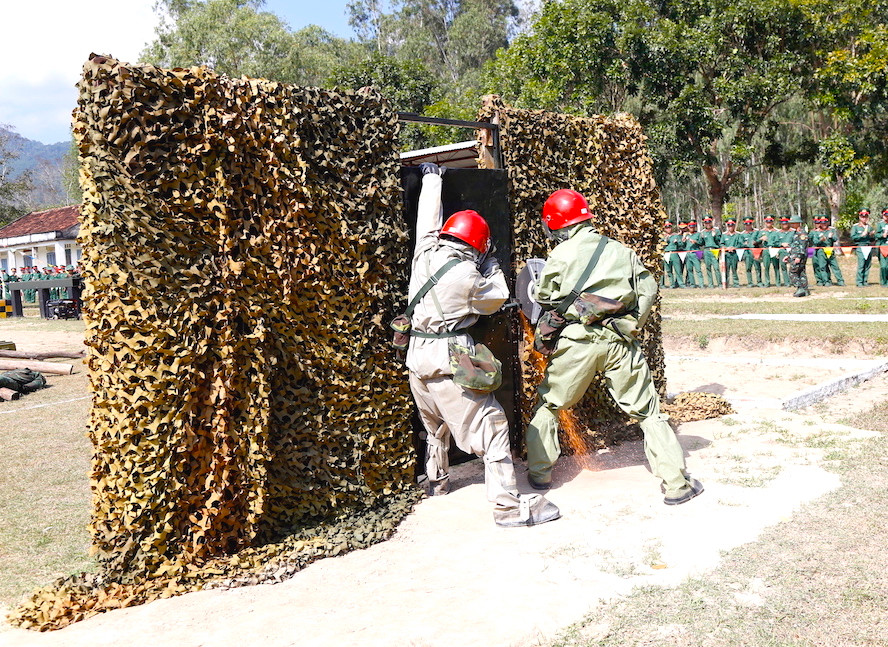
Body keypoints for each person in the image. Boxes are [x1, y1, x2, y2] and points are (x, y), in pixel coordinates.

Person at [405, 162, 559, 528]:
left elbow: (426, 222)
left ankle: (438, 480)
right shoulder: (469, 276)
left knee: (435, 426)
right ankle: (508, 507)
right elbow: (499, 295)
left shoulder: (424, 253)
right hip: (447, 360)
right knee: (492, 426)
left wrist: (431, 178)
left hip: (417, 360)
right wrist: (490, 264)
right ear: (478, 246)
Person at [525, 189, 703, 505]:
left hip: (577, 341)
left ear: (557, 223)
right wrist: (631, 323)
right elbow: (647, 290)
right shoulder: (623, 252)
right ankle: (676, 484)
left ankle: (540, 475)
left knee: (550, 403)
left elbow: (544, 297)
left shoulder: (560, 255)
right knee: (649, 411)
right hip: (620, 341)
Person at [809, 216, 844, 286]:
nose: (823, 224)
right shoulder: (815, 231)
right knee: (821, 266)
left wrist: (831, 237)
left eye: (825, 223)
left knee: (835, 266)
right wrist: (820, 240)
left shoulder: (831, 230)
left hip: (830, 250)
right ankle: (825, 281)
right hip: (819, 251)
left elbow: (835, 239)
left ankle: (840, 281)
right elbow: (814, 241)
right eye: (822, 223)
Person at [783, 215, 810, 297]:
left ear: (798, 223)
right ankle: (805, 290)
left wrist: (798, 256)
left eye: (793, 223)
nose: (791, 225)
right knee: (801, 273)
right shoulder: (795, 233)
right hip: (794, 255)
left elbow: (803, 246)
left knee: (792, 272)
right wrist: (789, 256)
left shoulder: (802, 233)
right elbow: (794, 246)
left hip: (798, 256)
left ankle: (799, 287)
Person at [850, 209, 876, 286]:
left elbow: (872, 239)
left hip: (868, 246)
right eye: (862, 216)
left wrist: (872, 235)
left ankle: (865, 281)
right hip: (860, 246)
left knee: (867, 264)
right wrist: (861, 235)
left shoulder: (869, 227)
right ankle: (859, 281)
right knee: (861, 264)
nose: (864, 218)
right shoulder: (856, 227)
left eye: (866, 216)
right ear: (859, 217)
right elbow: (853, 237)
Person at [737, 217, 763, 287]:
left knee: (757, 268)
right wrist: (744, 244)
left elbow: (760, 239)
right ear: (744, 224)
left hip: (756, 251)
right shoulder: (742, 234)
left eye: (749, 224)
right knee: (748, 268)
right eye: (746, 224)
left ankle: (759, 282)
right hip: (747, 252)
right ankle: (750, 282)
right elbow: (739, 243)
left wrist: (756, 242)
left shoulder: (756, 232)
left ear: (752, 224)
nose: (748, 225)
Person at [760, 216, 782, 287]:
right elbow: (756, 241)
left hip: (774, 249)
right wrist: (761, 239)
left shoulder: (777, 231)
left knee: (776, 267)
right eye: (767, 221)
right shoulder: (762, 231)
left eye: (770, 221)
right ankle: (767, 282)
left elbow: (778, 242)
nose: (768, 223)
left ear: (772, 222)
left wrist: (769, 240)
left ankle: (778, 282)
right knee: (766, 267)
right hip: (766, 250)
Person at [700, 215, 722, 288]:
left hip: (714, 250)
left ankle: (719, 283)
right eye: (706, 222)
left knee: (716, 268)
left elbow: (719, 241)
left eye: (709, 222)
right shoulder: (703, 232)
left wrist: (715, 236)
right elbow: (701, 243)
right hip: (706, 250)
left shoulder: (716, 230)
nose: (708, 224)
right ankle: (710, 284)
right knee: (708, 268)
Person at [662, 221, 685, 288]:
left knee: (678, 270)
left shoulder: (676, 235)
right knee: (668, 270)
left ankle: (681, 284)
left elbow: (681, 244)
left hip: (674, 253)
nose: (668, 229)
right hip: (666, 254)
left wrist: (677, 242)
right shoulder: (663, 236)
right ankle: (672, 284)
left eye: (669, 227)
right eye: (666, 228)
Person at [683, 220, 705, 288]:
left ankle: (701, 284)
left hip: (696, 252)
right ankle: (692, 284)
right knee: (689, 270)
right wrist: (683, 240)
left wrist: (696, 242)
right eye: (690, 226)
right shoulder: (686, 235)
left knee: (698, 269)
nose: (692, 228)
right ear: (688, 227)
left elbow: (702, 243)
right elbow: (682, 245)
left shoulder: (698, 234)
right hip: (688, 253)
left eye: (693, 226)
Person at [720, 218, 741, 288]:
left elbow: (740, 244)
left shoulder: (738, 234)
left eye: (732, 225)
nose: (730, 227)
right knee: (726, 269)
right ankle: (726, 283)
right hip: (726, 254)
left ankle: (736, 283)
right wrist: (726, 248)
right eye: (729, 225)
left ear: (734, 226)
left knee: (734, 269)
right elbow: (721, 244)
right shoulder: (724, 235)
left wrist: (735, 247)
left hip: (734, 254)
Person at [877, 209, 888, 286]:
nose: (886, 217)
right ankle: (883, 281)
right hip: (883, 246)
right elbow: (876, 236)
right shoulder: (880, 224)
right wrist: (882, 235)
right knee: (883, 266)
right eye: (885, 215)